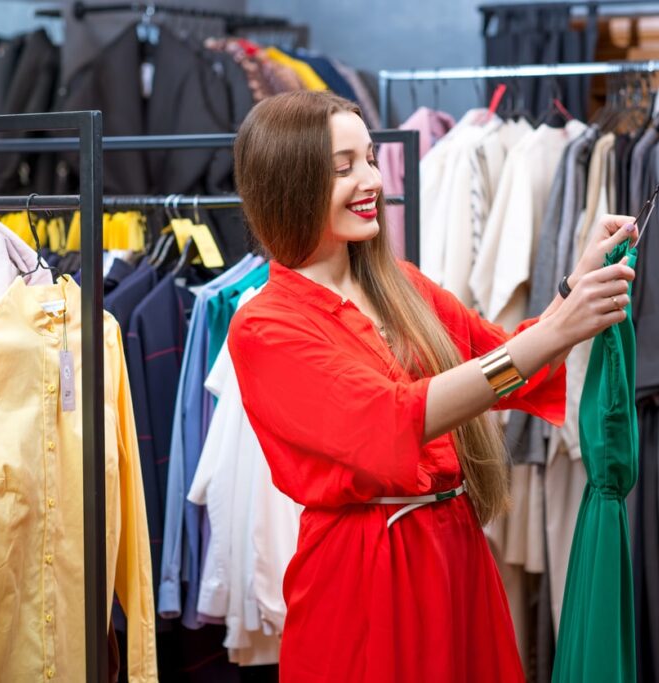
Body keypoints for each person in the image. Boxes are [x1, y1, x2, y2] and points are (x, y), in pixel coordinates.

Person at [227, 90, 636, 683]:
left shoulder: (404, 287)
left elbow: (505, 360)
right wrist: (547, 336)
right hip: (365, 576)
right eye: (344, 168)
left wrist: (576, 287)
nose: (371, 180)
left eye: (370, 159)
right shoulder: (266, 327)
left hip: (455, 553)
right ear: (289, 182)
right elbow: (394, 418)